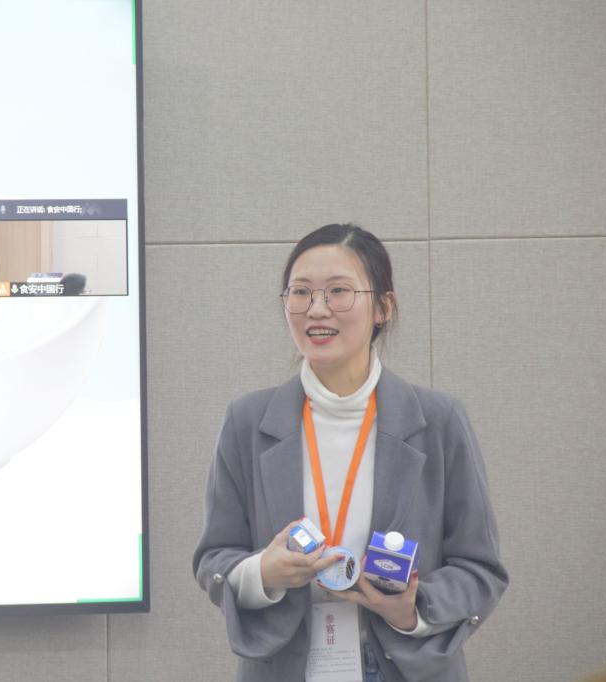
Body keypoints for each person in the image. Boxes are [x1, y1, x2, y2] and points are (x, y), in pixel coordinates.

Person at [193, 224, 509, 681]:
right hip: (286, 667)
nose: (317, 309)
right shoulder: (247, 421)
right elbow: (214, 558)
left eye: (338, 291)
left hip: (407, 668)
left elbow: (480, 568)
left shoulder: (439, 421)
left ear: (383, 307)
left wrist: (412, 608)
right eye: (301, 292)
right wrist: (263, 572)